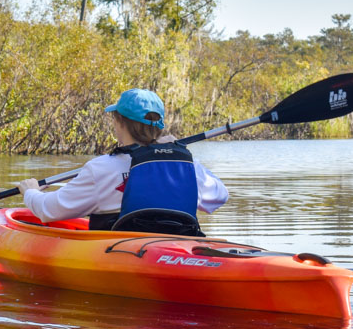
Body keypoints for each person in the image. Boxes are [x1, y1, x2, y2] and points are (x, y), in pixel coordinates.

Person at [16, 89, 227, 231]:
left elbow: (47, 211)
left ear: (119, 121)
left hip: (121, 250)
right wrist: (180, 153)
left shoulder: (100, 168)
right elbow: (219, 196)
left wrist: (31, 191)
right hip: (172, 246)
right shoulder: (185, 165)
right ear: (160, 127)